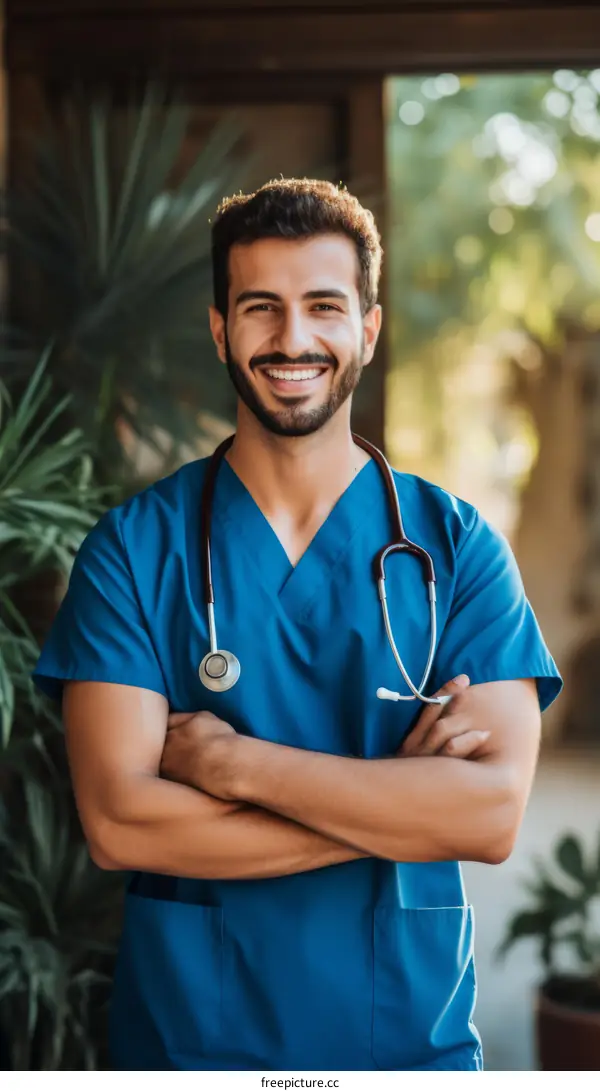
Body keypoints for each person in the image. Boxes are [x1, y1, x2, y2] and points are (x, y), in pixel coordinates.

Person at [32, 178, 563, 1072]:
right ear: (219, 328)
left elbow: (488, 815)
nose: (292, 339)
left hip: (404, 1046)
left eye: (323, 305)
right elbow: (123, 823)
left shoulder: (457, 552)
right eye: (260, 308)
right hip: (190, 1049)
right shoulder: (133, 550)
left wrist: (234, 764)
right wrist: (397, 801)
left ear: (368, 328)